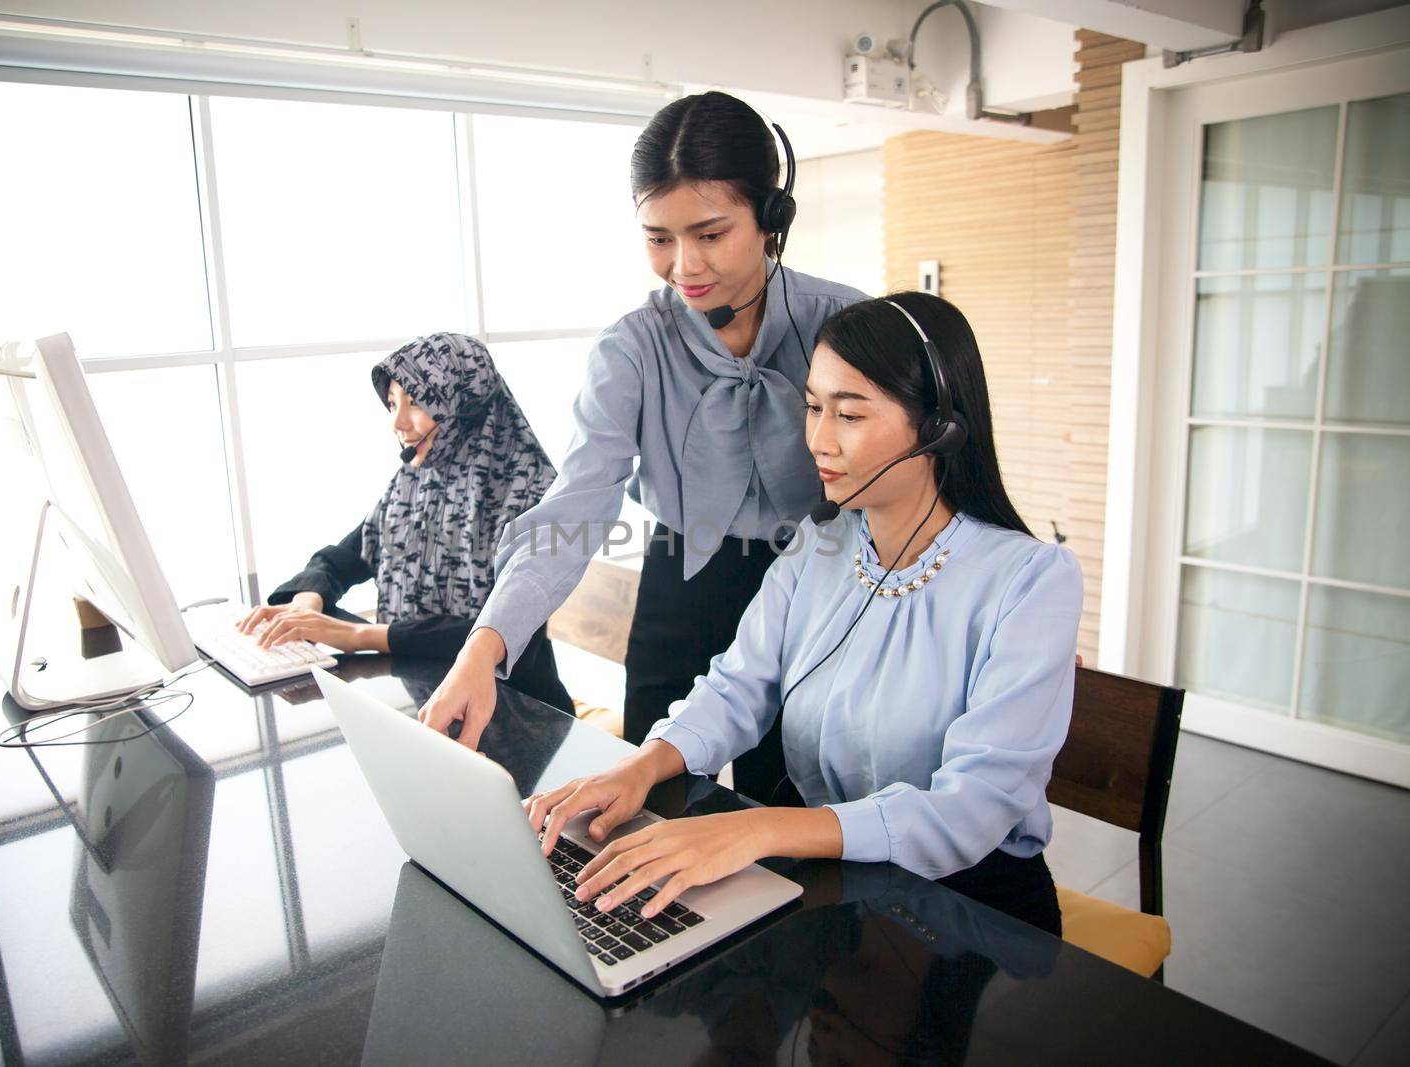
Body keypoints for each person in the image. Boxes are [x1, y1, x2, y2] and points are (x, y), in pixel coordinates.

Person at [524, 293, 1082, 935]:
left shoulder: (1031, 581)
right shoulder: (819, 544)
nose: (817, 439)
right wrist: (641, 766)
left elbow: (972, 811)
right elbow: (738, 687)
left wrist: (755, 829)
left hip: (970, 910)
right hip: (839, 882)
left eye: (848, 414)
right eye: (813, 407)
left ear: (938, 427)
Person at [419, 92, 867, 803]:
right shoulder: (632, 347)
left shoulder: (849, 325)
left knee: (787, 805)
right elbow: (580, 501)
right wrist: (485, 644)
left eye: (711, 233)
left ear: (771, 218)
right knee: (651, 803)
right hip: (680, 581)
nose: (683, 264)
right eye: (659, 237)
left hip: (822, 585)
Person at [239, 332, 572, 711]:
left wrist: (358, 635)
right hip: (423, 690)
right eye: (393, 402)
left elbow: (496, 628)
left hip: (518, 708)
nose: (397, 422)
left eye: (415, 402)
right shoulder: (418, 476)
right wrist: (305, 603)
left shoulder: (532, 492)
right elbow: (342, 559)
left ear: (462, 403)